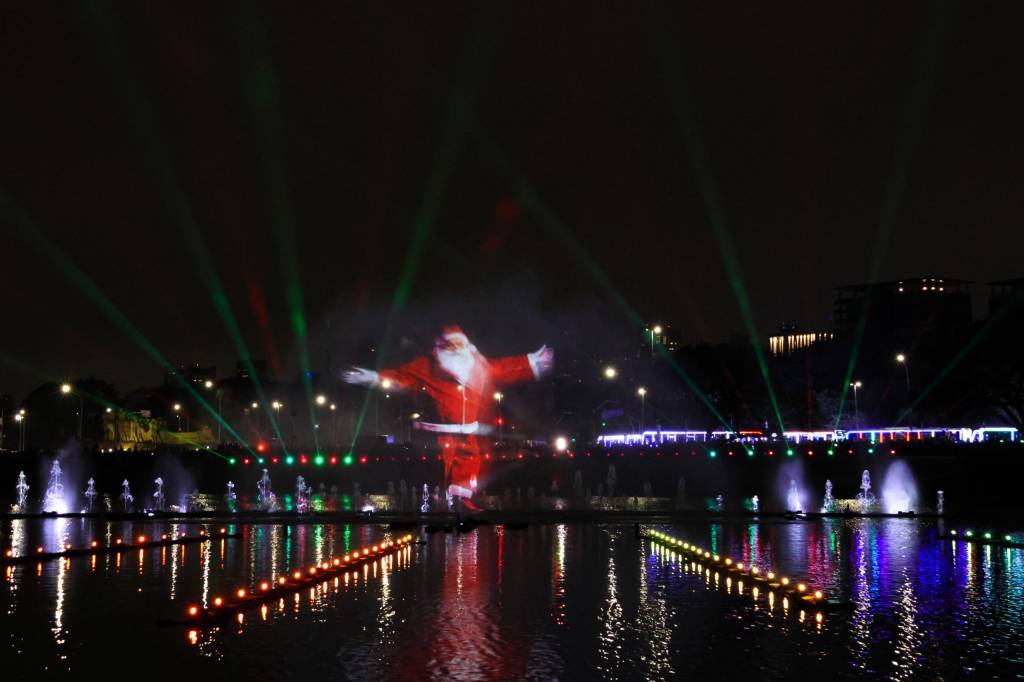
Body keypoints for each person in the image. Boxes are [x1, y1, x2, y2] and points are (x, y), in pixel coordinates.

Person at [344, 325, 553, 511]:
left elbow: (506, 368)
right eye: (450, 345)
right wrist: (373, 377)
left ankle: (460, 499)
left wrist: (533, 360)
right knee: (446, 462)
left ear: (465, 346)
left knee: (474, 460)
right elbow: (402, 377)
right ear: (442, 347)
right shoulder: (428, 367)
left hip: (470, 430)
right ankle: (442, 500)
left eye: (458, 344)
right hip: (444, 430)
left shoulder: (478, 366)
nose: (454, 349)